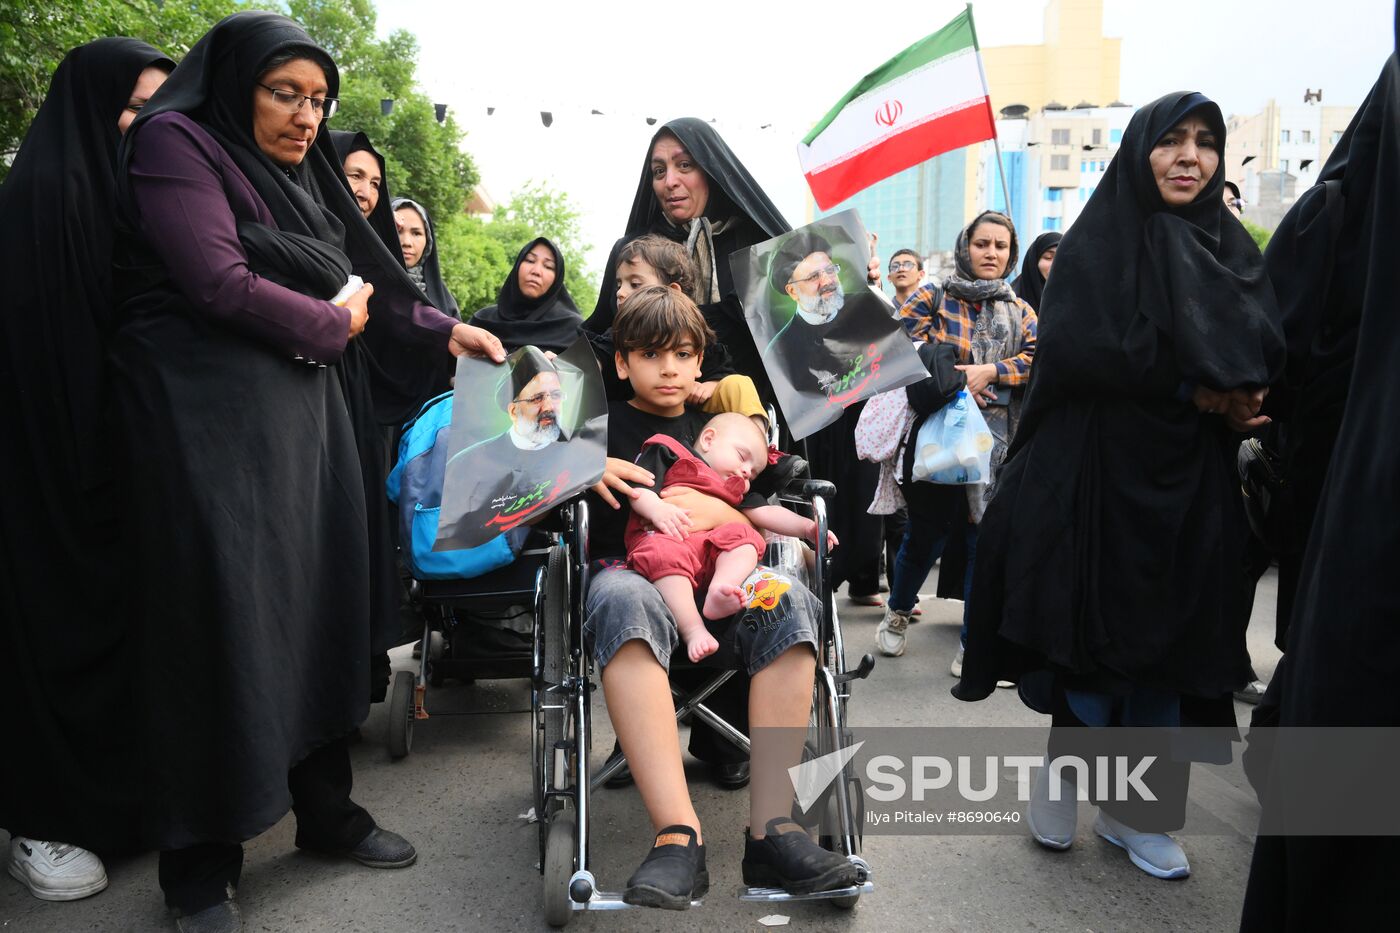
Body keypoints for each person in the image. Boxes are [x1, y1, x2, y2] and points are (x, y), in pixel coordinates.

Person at [110, 13, 503, 929]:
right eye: (284, 92)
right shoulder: (177, 142)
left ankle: (324, 811)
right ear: (236, 81)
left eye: (318, 100)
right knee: (225, 623)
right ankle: (201, 865)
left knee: (319, 607)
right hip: (208, 430)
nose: (303, 116)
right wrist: (332, 325)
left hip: (305, 426)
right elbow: (214, 280)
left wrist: (450, 330)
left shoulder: (299, 177)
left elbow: (368, 276)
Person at [951, 92, 1284, 881]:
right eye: (1172, 140)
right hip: (1098, 476)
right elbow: (1084, 351)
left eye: (1206, 142)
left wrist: (1238, 394)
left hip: (1189, 486)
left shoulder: (1228, 246)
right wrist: (1193, 389)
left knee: (1168, 645)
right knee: (1093, 640)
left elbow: (1265, 340)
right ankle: (1066, 775)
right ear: (1142, 151)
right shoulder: (1100, 243)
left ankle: (1142, 815)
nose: (1189, 157)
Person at [584, 286, 860, 909]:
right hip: (631, 571)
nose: (670, 368)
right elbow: (524, 466)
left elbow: (761, 493)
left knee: (790, 601)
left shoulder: (716, 431)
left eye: (683, 354)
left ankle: (772, 830)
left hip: (722, 579)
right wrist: (581, 467)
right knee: (624, 605)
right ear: (622, 362)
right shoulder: (594, 426)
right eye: (652, 354)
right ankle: (678, 836)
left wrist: (804, 526)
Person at [0, 37, 173, 904]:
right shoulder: (47, 194)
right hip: (49, 464)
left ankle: (111, 808)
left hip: (114, 456)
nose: (150, 124)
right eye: (138, 106)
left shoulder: (118, 190)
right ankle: (44, 817)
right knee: (57, 626)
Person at [880, 211, 1037, 666]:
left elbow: (1038, 356)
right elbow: (897, 345)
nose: (991, 253)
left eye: (1000, 246)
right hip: (937, 436)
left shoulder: (1020, 308)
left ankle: (972, 641)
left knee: (980, 540)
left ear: (1011, 253)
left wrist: (993, 371)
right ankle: (896, 612)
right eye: (982, 243)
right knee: (926, 534)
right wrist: (956, 377)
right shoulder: (935, 294)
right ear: (964, 246)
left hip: (996, 444)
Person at [627, 410, 837, 662]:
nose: (746, 471)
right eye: (742, 457)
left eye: (754, 471)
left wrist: (806, 528)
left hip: (711, 556)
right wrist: (657, 508)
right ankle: (693, 629)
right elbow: (639, 488)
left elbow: (767, 513)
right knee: (664, 554)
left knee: (747, 538)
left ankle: (721, 589)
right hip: (668, 537)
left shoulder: (736, 490)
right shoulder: (669, 453)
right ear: (708, 440)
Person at [472, 237, 584, 354]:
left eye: (548, 266)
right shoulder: (482, 321)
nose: (536, 271)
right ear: (517, 266)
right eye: (530, 260)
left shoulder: (573, 330)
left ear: (557, 280)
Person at [392, 196, 460, 318]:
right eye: (398, 231)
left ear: (428, 241)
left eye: (416, 233)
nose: (407, 242)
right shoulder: (364, 287)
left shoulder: (445, 302)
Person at [1011, 231, 1062, 310]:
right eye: (1048, 257)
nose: (1055, 265)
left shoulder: (1073, 299)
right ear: (1034, 261)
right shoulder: (1011, 301)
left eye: (1061, 259)